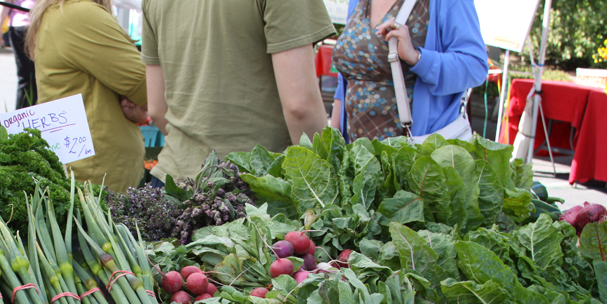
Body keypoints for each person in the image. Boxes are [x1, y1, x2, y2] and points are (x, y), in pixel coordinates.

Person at [141, 0, 335, 185]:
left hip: (174, 181)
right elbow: (300, 108)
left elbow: (157, 109)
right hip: (257, 188)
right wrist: (327, 181)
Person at [26, 0, 149, 192]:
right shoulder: (79, 14)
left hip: (88, 165)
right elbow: (146, 85)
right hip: (95, 171)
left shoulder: (61, 11)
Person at [331, 0, 487, 141]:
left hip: (415, 156)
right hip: (357, 155)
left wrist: (416, 57)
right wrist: (333, 141)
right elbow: (347, 75)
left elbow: (476, 66)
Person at [0, 1, 38, 109]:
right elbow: (6, 2)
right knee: (26, 76)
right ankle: (21, 117)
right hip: (22, 27)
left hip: (41, 26)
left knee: (37, 76)